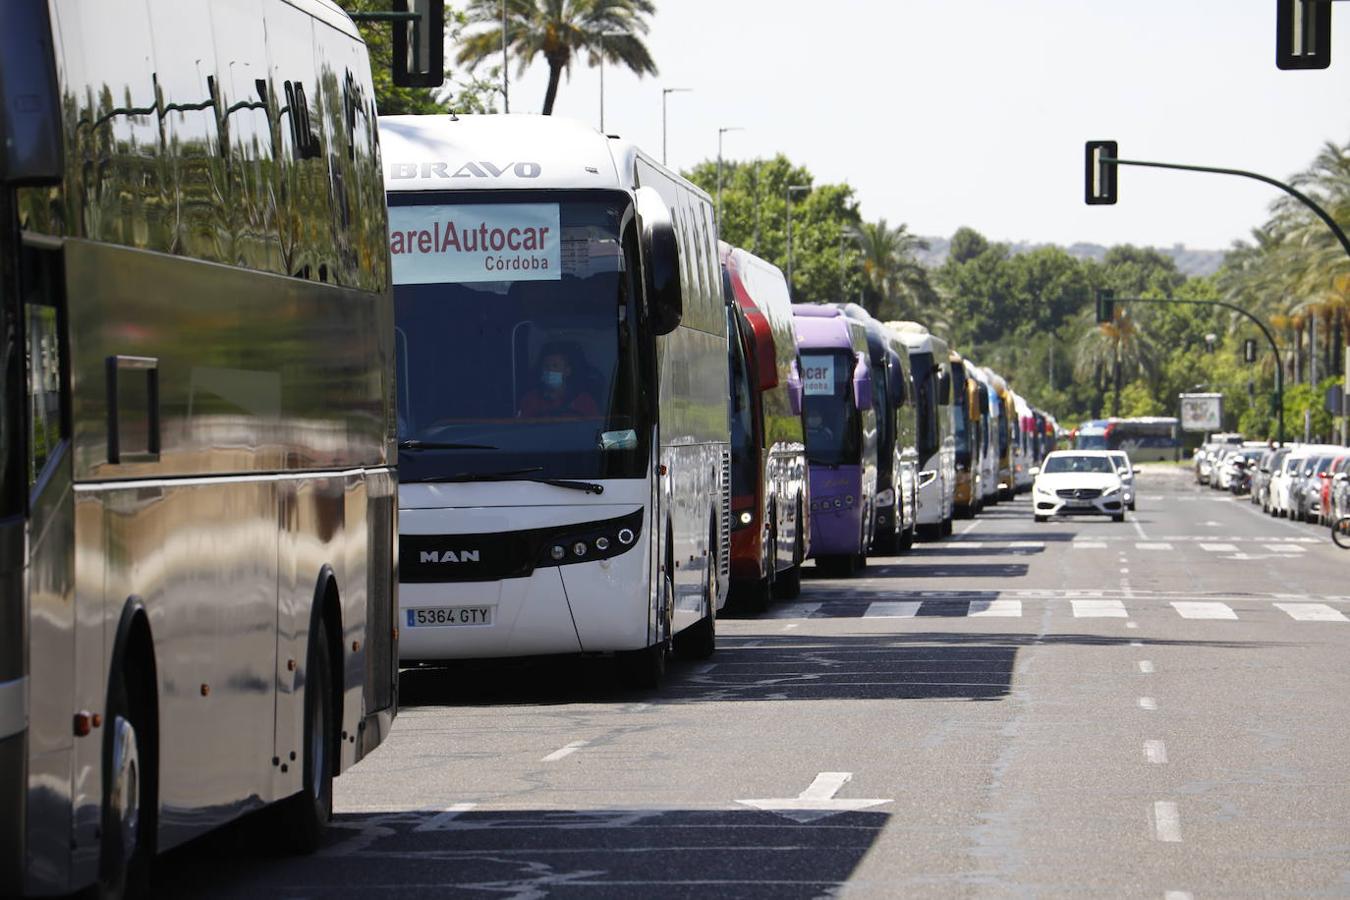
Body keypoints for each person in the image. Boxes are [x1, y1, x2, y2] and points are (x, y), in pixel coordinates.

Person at [519, 344, 600, 418]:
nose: (550, 369)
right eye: (546, 366)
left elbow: (594, 428)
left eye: (555, 366)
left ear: (567, 371)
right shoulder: (531, 399)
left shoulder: (584, 400)